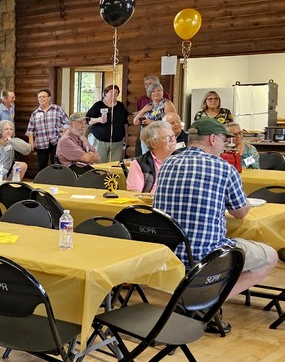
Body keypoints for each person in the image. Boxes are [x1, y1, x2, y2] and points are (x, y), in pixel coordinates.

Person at [153, 118, 277, 315]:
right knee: (270, 256)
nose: (225, 144)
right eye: (223, 139)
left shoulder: (168, 163)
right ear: (212, 139)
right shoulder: (223, 168)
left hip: (166, 253)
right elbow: (240, 212)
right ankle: (205, 302)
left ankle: (198, 295)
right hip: (206, 256)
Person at [127, 121, 177, 194]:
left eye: (173, 136)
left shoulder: (182, 160)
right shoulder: (139, 164)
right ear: (153, 144)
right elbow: (135, 195)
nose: (173, 140)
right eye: (167, 137)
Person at [25, 89, 68, 171]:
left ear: (49, 98)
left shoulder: (57, 109)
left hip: (56, 141)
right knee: (42, 166)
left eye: (44, 97)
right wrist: (31, 141)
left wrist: (62, 132)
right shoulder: (35, 113)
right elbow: (30, 129)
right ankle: (42, 179)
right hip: (41, 142)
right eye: (39, 97)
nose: (41, 99)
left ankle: (57, 178)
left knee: (56, 164)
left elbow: (67, 123)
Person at [86, 84, 130, 162]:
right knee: (99, 163)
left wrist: (126, 136)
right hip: (100, 140)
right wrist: (98, 120)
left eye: (116, 92)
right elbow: (87, 120)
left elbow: (125, 122)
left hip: (117, 142)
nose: (114, 94)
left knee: (114, 164)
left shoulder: (120, 106)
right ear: (106, 93)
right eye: (111, 92)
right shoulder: (98, 105)